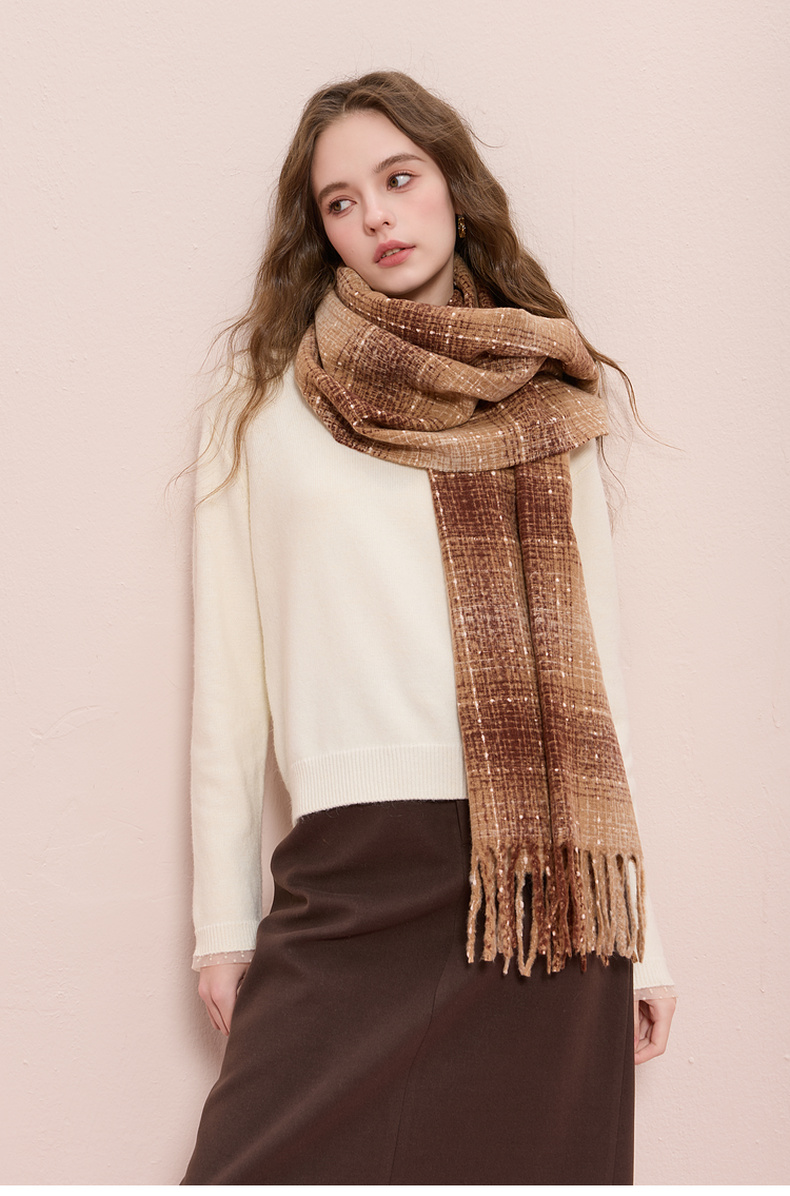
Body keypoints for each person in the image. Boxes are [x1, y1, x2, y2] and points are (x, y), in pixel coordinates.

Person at [182, 70, 676, 1185]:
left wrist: (645, 936)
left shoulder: (541, 397)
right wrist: (224, 925)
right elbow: (229, 687)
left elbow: (598, 682)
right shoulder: (264, 408)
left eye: (398, 179)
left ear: (452, 184)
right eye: (341, 201)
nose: (376, 217)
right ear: (319, 229)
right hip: (353, 869)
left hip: (544, 884)